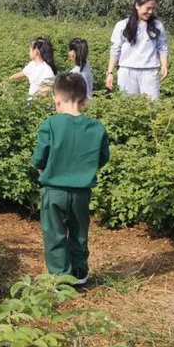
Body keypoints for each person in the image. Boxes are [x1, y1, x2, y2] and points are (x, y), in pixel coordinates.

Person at [31, 72, 110, 285]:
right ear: (84, 100)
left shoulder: (51, 124)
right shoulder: (97, 128)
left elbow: (40, 156)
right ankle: (80, 273)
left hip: (53, 190)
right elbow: (102, 158)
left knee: (54, 234)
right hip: (81, 192)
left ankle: (60, 279)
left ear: (56, 98)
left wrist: (42, 169)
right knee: (79, 233)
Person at [105, 0, 169, 100]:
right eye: (147, 8)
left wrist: (164, 65)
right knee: (127, 106)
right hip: (127, 71)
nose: (150, 12)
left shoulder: (158, 25)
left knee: (152, 107)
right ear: (137, 6)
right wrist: (110, 72)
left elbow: (162, 47)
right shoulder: (122, 25)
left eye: (153, 9)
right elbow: (115, 49)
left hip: (150, 71)